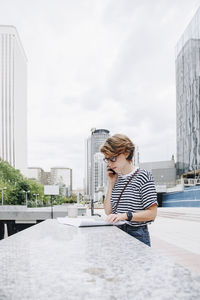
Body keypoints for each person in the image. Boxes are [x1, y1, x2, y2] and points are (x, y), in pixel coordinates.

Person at [100, 134, 157, 247]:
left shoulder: (143, 176)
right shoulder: (116, 178)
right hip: (116, 233)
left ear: (126, 153)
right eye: (107, 159)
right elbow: (108, 211)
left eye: (113, 158)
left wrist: (125, 216)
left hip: (137, 234)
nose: (110, 164)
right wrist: (111, 183)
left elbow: (152, 213)